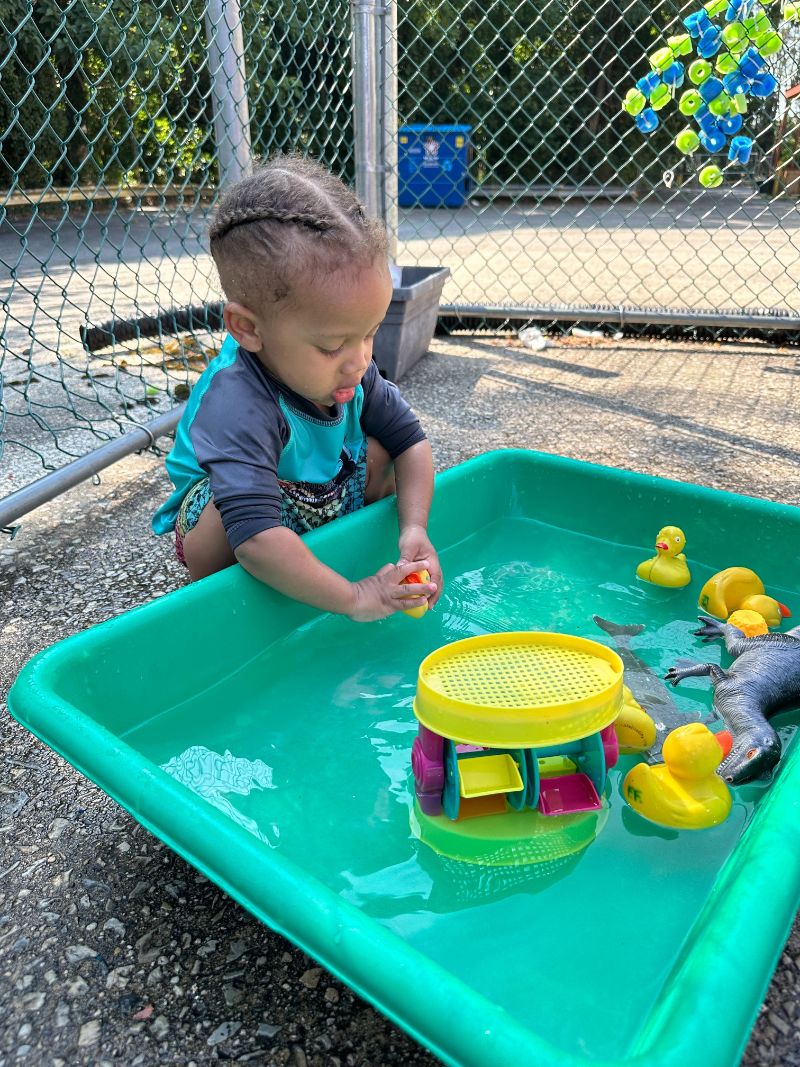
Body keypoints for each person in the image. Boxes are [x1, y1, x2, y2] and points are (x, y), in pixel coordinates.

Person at [152, 155, 442, 622]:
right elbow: (256, 537)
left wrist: (414, 530)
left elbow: (412, 442)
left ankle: (320, 552)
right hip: (243, 522)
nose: (361, 359)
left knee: (384, 452)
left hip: (310, 494)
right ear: (248, 328)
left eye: (369, 333)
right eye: (332, 346)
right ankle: (246, 589)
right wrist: (355, 597)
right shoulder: (238, 402)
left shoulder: (352, 368)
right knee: (221, 524)